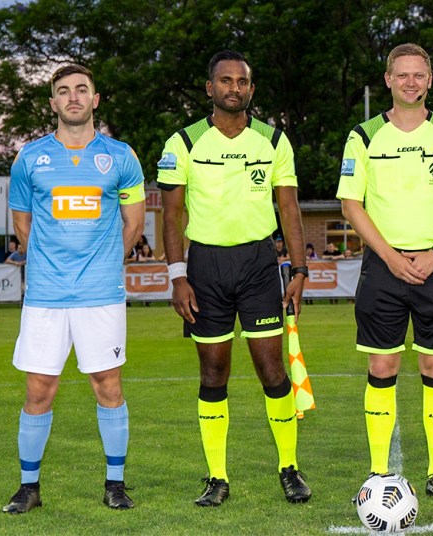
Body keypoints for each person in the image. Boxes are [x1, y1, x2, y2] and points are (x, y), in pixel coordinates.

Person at [158, 49, 311, 506]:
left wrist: (299, 269)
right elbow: (171, 215)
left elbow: (289, 209)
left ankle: (289, 468)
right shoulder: (183, 143)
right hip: (205, 268)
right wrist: (178, 276)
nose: (234, 88)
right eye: (225, 81)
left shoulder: (274, 140)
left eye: (242, 82)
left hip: (259, 265)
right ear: (210, 88)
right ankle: (217, 477)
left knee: (272, 369)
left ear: (251, 89)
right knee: (213, 372)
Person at [337, 43, 433, 502]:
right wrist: (390, 256)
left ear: (430, 80)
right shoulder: (363, 137)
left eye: (419, 75)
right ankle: (379, 473)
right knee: (382, 365)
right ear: (388, 80)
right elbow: (350, 205)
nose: (410, 82)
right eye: (402, 75)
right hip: (384, 267)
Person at [2, 64, 146, 514]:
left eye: (82, 89)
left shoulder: (121, 156)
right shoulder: (29, 158)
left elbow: (134, 223)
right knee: (39, 389)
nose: (74, 97)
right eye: (63, 91)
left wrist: (103, 262)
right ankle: (28, 488)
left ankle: (115, 484)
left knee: (108, 385)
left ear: (95, 99)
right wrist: (52, 264)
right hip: (45, 296)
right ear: (53, 103)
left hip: (101, 294)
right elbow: (22, 225)